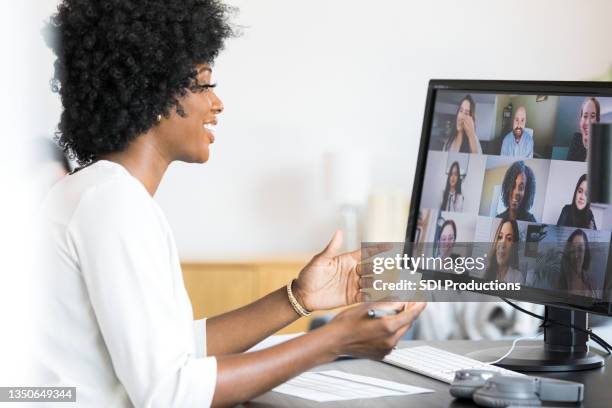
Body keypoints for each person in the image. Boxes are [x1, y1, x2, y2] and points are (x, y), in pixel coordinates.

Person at [38, 1, 426, 407]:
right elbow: (171, 392)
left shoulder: (102, 194)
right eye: (204, 84)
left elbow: (174, 350)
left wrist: (298, 298)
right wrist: (330, 341)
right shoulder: (113, 206)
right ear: (155, 94)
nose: (217, 104)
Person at [558, 229, 597, 298]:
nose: (576, 256)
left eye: (580, 249)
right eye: (573, 250)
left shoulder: (591, 282)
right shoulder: (560, 282)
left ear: (585, 253)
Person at [485, 218, 524, 284]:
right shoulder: (485, 270)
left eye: (509, 239)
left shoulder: (518, 277)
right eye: (500, 237)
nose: (502, 244)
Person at [567, 97, 600, 162]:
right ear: (581, 120)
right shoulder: (576, 138)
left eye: (593, 116)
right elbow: (569, 166)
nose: (588, 122)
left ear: (597, 121)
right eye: (585, 116)